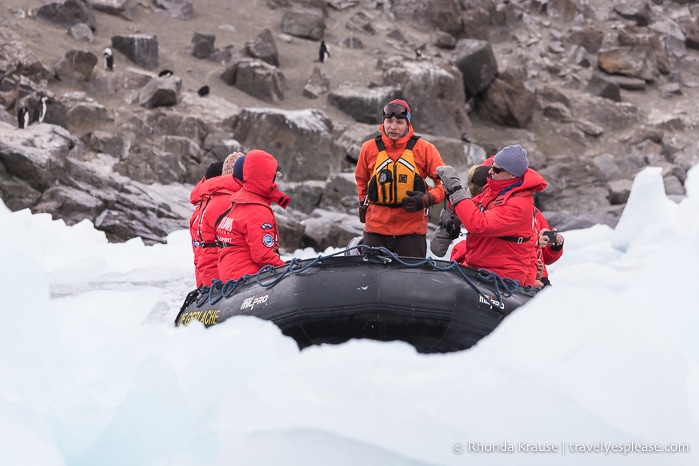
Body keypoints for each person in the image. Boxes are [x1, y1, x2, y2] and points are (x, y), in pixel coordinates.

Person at [436, 144, 548, 287]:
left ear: (513, 174)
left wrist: (457, 190)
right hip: (481, 269)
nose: (490, 172)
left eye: (496, 169)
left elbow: (479, 224)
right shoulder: (495, 189)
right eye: (492, 166)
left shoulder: (519, 205)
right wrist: (451, 200)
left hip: (503, 277)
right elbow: (471, 206)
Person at [355, 99, 446, 257]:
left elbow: (444, 184)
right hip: (375, 231)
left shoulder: (425, 149)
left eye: (399, 122)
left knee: (410, 280)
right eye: (389, 121)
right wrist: (364, 205)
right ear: (383, 122)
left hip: (411, 233)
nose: (393, 127)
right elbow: (361, 181)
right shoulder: (368, 149)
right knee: (370, 281)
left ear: (408, 123)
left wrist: (427, 199)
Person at [216, 149, 291, 281]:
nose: (275, 182)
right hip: (248, 280)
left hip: (231, 279)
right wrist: (289, 272)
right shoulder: (256, 210)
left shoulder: (237, 202)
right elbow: (263, 256)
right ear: (265, 177)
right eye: (274, 175)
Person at [189, 153, 244, 289]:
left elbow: (199, 256)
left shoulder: (201, 208)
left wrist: (201, 286)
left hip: (210, 277)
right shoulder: (224, 203)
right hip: (223, 278)